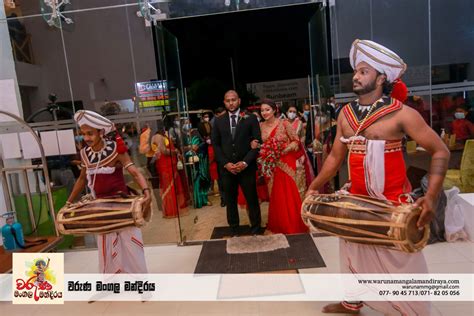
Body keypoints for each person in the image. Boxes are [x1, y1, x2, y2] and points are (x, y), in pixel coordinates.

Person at [306, 39, 450, 315]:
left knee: (402, 261)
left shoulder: (402, 114)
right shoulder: (345, 114)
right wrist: (314, 186)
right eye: (356, 71)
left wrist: (431, 197)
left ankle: (414, 310)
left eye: (364, 71)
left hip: (392, 201)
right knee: (352, 251)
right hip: (356, 199)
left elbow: (440, 150)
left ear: (382, 78)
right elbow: (336, 157)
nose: (356, 76)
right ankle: (352, 302)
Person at [67, 110, 151, 274]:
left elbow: (135, 172)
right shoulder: (85, 154)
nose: (86, 138)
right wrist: (69, 202)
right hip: (101, 207)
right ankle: (109, 283)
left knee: (131, 244)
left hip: (123, 205)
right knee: (104, 247)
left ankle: (142, 283)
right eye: (83, 134)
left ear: (100, 132)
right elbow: (82, 179)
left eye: (90, 133)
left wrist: (146, 191)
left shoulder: (116, 149)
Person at [211, 90, 263, 236]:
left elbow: (258, 142)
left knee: (251, 199)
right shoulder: (218, 121)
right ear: (224, 102)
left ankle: (256, 228)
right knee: (230, 201)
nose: (231, 103)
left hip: (246, 168)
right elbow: (216, 145)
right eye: (228, 100)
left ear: (239, 101)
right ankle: (234, 229)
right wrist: (226, 164)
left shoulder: (251, 118)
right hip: (227, 170)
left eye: (233, 100)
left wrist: (245, 162)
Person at [257, 100, 308, 234]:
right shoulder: (260, 126)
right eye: (262, 110)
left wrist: (282, 150)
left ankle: (292, 226)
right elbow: (260, 145)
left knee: (288, 194)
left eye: (267, 109)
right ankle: (278, 225)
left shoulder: (284, 123)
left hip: (286, 162)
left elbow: (296, 141)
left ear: (274, 110)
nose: (264, 113)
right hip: (271, 165)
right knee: (275, 195)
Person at [152, 121, 188, 218]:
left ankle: (174, 208)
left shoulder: (161, 136)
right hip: (165, 165)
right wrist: (175, 151)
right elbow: (164, 151)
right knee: (169, 187)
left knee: (172, 186)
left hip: (169, 164)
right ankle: (171, 210)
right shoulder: (158, 137)